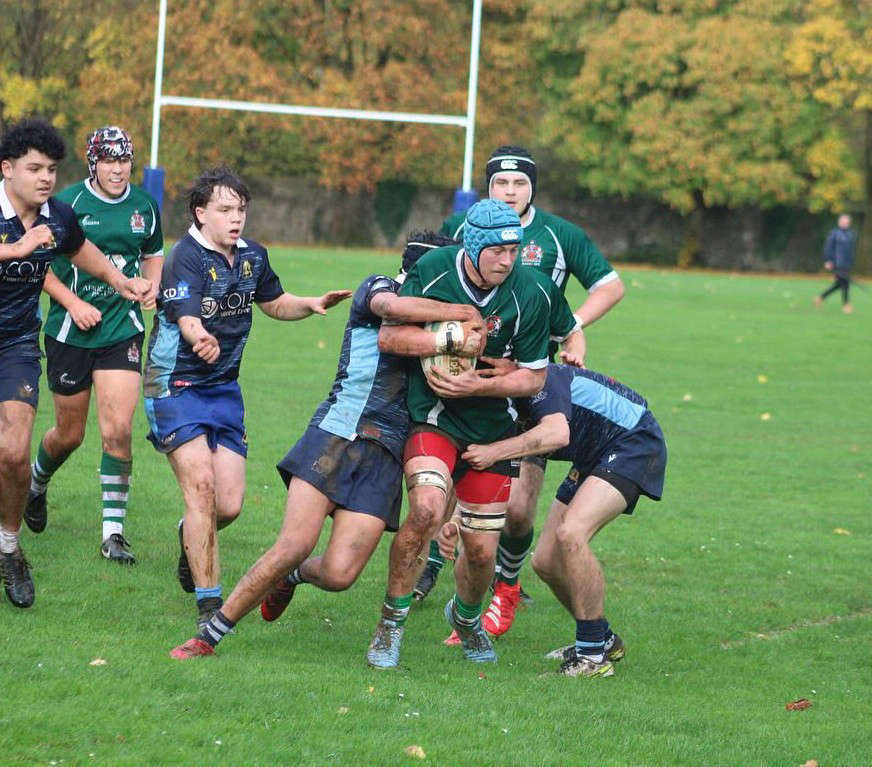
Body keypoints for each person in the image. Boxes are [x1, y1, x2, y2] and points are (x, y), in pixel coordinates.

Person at [168, 232, 487, 659]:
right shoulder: (380, 289)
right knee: (293, 543)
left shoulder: (443, 324)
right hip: (337, 433)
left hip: (386, 456)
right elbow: (391, 313)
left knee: (339, 574)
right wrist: (461, 314)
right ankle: (210, 635)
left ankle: (294, 578)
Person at [424, 145, 626, 636]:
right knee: (446, 482)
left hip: (530, 381)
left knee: (517, 511)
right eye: (500, 184)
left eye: (518, 184)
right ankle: (436, 569)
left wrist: (570, 327)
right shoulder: (461, 225)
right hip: (470, 375)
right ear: (488, 187)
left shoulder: (560, 234)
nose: (509, 192)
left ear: (532, 187)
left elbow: (610, 285)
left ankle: (505, 585)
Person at [143, 166, 350, 631]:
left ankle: (189, 537)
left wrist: (310, 304)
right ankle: (208, 605)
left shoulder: (253, 256)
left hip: (224, 390)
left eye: (241, 209)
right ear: (201, 212)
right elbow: (186, 317)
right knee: (201, 489)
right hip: (175, 384)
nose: (236, 218)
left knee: (229, 505)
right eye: (225, 209)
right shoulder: (185, 257)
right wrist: (201, 339)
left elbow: (274, 302)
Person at [366, 198, 551, 669]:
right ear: (473, 245)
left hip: (493, 431)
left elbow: (533, 378)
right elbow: (390, 337)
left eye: (514, 250)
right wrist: (449, 339)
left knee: (481, 551)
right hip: (435, 418)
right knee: (426, 511)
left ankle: (466, 619)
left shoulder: (532, 293)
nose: (507, 260)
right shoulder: (433, 269)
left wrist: (481, 383)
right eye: (497, 251)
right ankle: (390, 625)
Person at [0, 117, 150, 608]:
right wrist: (15, 250)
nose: (45, 178)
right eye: (34, 169)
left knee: (15, 454)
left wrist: (120, 282)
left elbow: (84, 252)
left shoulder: (58, 215)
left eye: (50, 169)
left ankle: (10, 547)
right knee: (54, 437)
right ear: (7, 170)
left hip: (17, 344)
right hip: (58, 334)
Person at [441, 362, 666, 677]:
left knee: (572, 533)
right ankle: (602, 639)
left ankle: (591, 659)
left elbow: (556, 434)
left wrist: (495, 451)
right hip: (595, 454)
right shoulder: (496, 400)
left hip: (633, 440)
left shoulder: (538, 382)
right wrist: (451, 520)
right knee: (546, 561)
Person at [24, 126, 163, 564]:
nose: (118, 169)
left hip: (122, 328)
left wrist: (152, 287)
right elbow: (38, 266)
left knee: (118, 429)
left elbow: (154, 252)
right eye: (108, 161)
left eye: (124, 160)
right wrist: (73, 303)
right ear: (93, 164)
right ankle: (36, 483)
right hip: (70, 329)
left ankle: (113, 533)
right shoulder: (66, 205)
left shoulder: (145, 205)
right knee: (69, 434)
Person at [815, 214, 857, 314]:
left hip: (847, 263)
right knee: (845, 283)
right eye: (842, 221)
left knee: (839, 284)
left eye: (846, 222)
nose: (844, 223)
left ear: (849, 223)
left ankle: (820, 297)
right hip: (837, 263)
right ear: (839, 222)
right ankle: (846, 305)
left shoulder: (851, 234)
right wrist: (828, 261)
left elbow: (851, 250)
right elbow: (828, 248)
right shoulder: (834, 234)